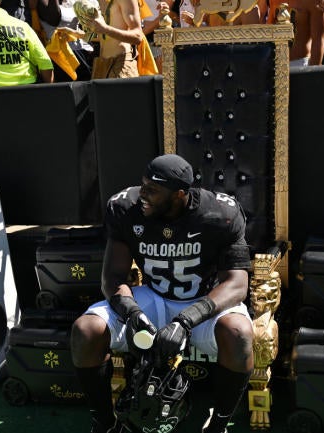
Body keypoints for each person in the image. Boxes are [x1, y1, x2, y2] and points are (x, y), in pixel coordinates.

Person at [71, 154, 254, 433]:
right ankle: (105, 423)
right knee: (86, 330)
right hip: (153, 296)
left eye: (152, 190)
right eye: (143, 184)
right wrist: (132, 312)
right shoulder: (125, 207)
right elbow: (112, 278)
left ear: (179, 194)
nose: (142, 194)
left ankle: (218, 425)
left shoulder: (221, 213)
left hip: (204, 302)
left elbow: (237, 285)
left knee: (238, 332)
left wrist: (186, 320)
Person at [68, 0, 146, 78]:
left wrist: (105, 29)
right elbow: (104, 37)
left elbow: (137, 37)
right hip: (101, 65)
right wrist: (76, 35)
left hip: (121, 64)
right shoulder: (99, 1)